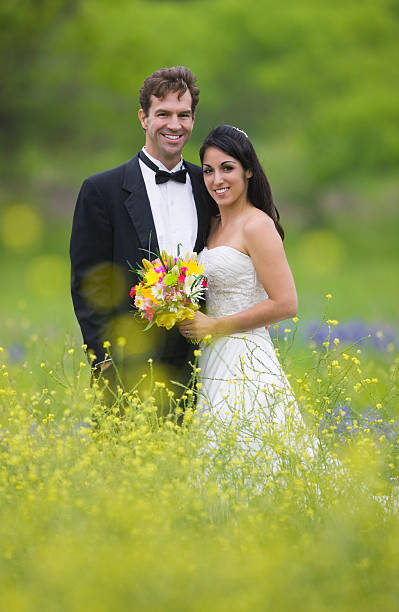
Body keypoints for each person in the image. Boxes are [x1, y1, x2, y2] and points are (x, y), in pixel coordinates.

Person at [70, 66, 214, 398]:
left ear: (193, 119)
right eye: (163, 113)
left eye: (184, 115)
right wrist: (103, 358)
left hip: (200, 359)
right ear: (143, 118)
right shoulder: (101, 190)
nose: (174, 125)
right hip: (127, 360)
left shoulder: (210, 186)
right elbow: (87, 278)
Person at [178, 125, 304, 438]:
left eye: (227, 168)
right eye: (208, 171)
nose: (216, 180)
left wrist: (214, 327)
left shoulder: (257, 225)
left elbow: (286, 303)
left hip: (246, 358)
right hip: (211, 357)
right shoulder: (211, 224)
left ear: (248, 171)